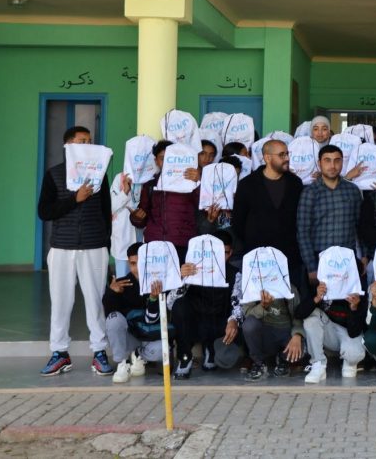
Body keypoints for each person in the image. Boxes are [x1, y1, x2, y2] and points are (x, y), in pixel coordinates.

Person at [37, 125, 114, 377]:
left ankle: (99, 351)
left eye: (90, 141)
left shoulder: (100, 174)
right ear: (68, 145)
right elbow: (45, 211)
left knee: (95, 301)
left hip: (94, 246)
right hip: (62, 247)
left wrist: (105, 243)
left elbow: (106, 212)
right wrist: (75, 199)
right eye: (82, 141)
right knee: (61, 302)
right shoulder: (54, 174)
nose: (88, 145)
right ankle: (60, 353)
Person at [234, 139, 307, 299]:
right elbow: (238, 222)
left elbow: (300, 218)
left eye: (287, 154)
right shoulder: (247, 184)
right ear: (267, 158)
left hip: (290, 258)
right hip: (257, 259)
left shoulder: (295, 183)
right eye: (281, 155)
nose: (287, 158)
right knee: (258, 305)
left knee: (292, 304)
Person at [171, 230, 238, 379]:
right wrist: (181, 278)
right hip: (196, 324)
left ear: (231, 253)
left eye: (225, 253)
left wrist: (234, 320)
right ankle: (185, 358)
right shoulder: (193, 269)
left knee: (225, 359)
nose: (220, 257)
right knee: (180, 305)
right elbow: (170, 303)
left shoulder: (235, 273)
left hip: (220, 324)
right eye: (216, 253)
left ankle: (211, 348)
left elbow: (238, 304)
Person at [296, 145, 364, 284]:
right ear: (319, 163)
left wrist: (364, 255)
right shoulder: (310, 192)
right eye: (327, 160)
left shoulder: (352, 190)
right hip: (320, 259)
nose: (332, 165)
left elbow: (360, 226)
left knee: (350, 297)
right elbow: (302, 232)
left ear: (342, 162)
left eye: (337, 160)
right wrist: (311, 267)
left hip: (347, 258)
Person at [104, 242, 167, 383]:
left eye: (141, 263)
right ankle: (122, 363)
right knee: (114, 319)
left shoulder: (159, 282)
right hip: (130, 337)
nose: (137, 268)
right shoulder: (121, 283)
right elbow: (109, 317)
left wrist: (153, 299)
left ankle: (138, 356)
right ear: (128, 263)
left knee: (163, 349)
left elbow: (156, 320)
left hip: (149, 337)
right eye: (133, 263)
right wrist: (111, 293)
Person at [131, 140, 200, 262]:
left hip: (182, 243)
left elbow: (203, 207)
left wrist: (198, 182)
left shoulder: (191, 183)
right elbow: (142, 218)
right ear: (156, 161)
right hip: (155, 243)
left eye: (170, 158)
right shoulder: (150, 184)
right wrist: (136, 217)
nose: (166, 162)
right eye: (162, 158)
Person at [299, 271, 366, 383]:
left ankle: (349, 362)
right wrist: (316, 298)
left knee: (352, 359)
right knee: (310, 318)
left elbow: (355, 332)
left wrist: (354, 308)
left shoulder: (357, 288)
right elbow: (299, 314)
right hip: (329, 330)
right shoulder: (323, 285)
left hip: (349, 334)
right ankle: (318, 364)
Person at [234, 276, 305, 381]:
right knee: (249, 325)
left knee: (299, 351)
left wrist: (297, 335)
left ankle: (283, 360)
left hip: (285, 333)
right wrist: (263, 306)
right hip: (266, 335)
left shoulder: (289, 287)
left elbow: (298, 316)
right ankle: (259, 364)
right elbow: (248, 313)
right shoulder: (253, 286)